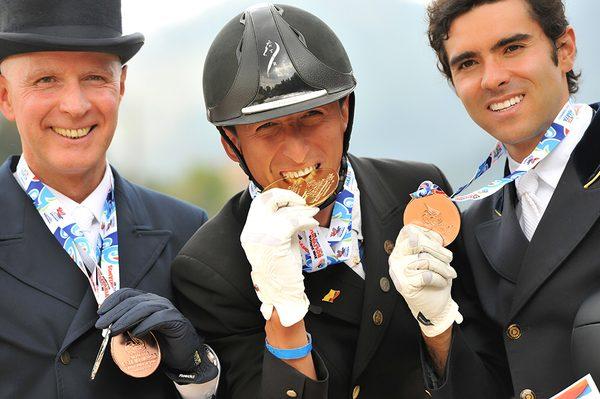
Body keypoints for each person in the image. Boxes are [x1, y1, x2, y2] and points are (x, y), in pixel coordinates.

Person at [171, 3, 460, 399]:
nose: (297, 152)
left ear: (344, 112)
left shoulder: (417, 191)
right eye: (267, 127)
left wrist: (439, 323)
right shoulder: (209, 269)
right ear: (231, 144)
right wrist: (283, 312)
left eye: (312, 116)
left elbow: (485, 372)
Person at [0, 0, 219, 398]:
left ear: (121, 86)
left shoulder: (190, 232)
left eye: (95, 78)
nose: (75, 105)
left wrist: (195, 369)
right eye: (46, 79)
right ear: (5, 97)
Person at [389, 0, 600, 398]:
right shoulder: (473, 227)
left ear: (565, 49)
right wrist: (437, 325)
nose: (493, 78)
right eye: (467, 63)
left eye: (512, 48)